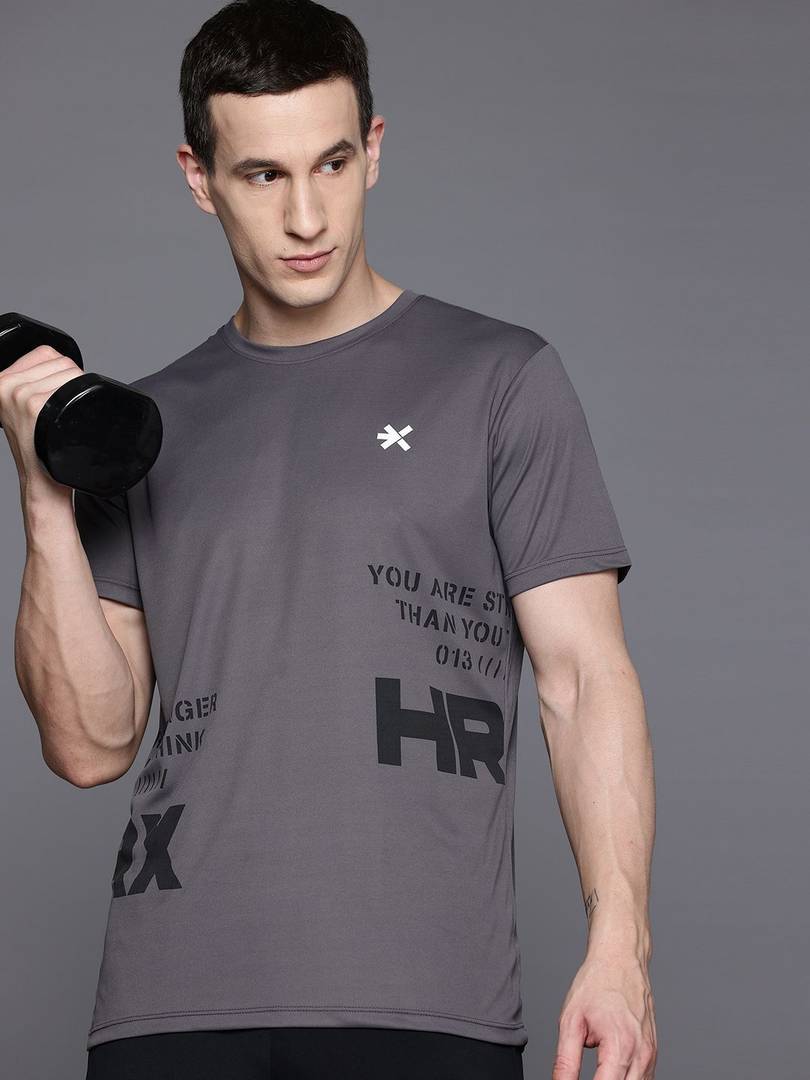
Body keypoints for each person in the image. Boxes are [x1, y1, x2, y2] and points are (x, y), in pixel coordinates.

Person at [4, 1, 657, 1077]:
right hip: (169, 1007)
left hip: (424, 1001)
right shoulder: (146, 427)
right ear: (199, 176)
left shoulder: (500, 380)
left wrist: (620, 945)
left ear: (374, 150)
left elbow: (585, 680)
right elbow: (89, 745)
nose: (307, 215)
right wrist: (43, 492)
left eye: (333, 164)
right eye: (263, 175)